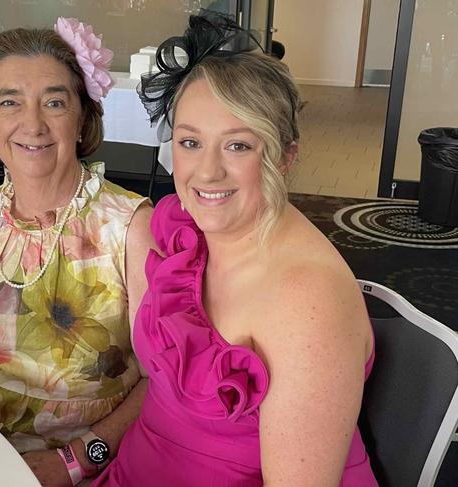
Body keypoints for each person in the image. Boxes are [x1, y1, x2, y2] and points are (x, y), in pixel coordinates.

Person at [94, 12, 377, 487]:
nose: (206, 174)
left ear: (285, 156)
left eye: (238, 146)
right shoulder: (190, 234)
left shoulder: (307, 301)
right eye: (190, 142)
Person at [0, 18, 154, 486]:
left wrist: (79, 460)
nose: (33, 124)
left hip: (102, 461)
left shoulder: (130, 228)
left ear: (83, 116)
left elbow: (159, 385)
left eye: (55, 102)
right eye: (10, 102)